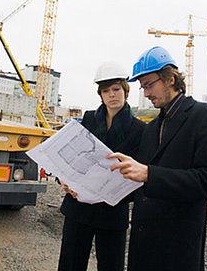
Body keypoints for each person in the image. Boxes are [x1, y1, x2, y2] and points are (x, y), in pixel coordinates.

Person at [108, 46, 207, 271]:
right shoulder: (151, 128)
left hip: (177, 248)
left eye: (150, 85)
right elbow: (139, 185)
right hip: (143, 247)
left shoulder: (206, 117)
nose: (145, 93)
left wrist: (149, 174)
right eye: (143, 87)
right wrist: (93, 193)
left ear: (171, 79)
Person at [57, 61, 146, 271]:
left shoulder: (140, 130)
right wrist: (63, 180)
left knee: (111, 265)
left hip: (112, 210)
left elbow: (140, 173)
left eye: (116, 89)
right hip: (78, 206)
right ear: (100, 94)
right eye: (106, 91)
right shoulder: (88, 118)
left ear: (126, 90)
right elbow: (71, 157)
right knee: (70, 264)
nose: (111, 95)